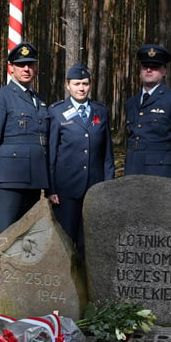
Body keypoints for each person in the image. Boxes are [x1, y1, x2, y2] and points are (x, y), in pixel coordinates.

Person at [0, 41, 50, 320]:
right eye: (21, 65)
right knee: (2, 238)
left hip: (33, 182)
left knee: (26, 241)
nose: (27, 69)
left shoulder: (38, 100)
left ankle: (19, 292)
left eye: (31, 65)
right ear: (11, 68)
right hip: (8, 179)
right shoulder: (0, 98)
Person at [47, 63, 115, 256]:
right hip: (66, 189)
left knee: (90, 243)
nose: (81, 88)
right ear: (68, 85)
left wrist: (108, 186)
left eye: (85, 84)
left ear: (90, 85)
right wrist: (51, 189)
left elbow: (107, 154)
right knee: (65, 242)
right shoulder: (57, 112)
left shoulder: (100, 111)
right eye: (77, 84)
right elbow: (51, 154)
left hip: (94, 188)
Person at [124, 44, 171, 180]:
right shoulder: (131, 103)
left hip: (161, 173)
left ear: (164, 71)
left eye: (154, 67)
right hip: (132, 171)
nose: (148, 70)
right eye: (145, 66)